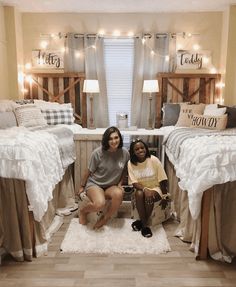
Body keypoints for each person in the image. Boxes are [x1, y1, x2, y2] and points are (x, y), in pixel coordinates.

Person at [78, 126, 130, 229]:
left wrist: (120, 184)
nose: (114, 141)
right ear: (106, 140)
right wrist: (81, 186)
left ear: (120, 138)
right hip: (95, 184)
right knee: (99, 204)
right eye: (110, 139)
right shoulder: (98, 153)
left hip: (111, 186)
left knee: (119, 194)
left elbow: (124, 170)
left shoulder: (125, 153)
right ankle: (83, 211)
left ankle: (105, 218)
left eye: (116, 137)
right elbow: (88, 171)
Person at [128, 138, 170, 238]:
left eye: (142, 148)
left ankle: (143, 224)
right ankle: (145, 225)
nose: (140, 150)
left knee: (149, 195)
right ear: (133, 152)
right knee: (138, 193)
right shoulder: (130, 163)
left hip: (156, 188)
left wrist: (164, 196)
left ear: (146, 148)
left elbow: (162, 180)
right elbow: (134, 183)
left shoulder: (154, 160)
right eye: (137, 149)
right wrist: (145, 189)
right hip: (141, 189)